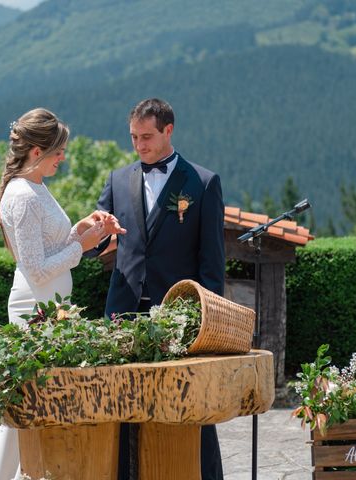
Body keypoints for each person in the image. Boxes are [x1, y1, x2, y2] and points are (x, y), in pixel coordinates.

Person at [0, 108, 125, 480]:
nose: (63, 158)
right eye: (58, 152)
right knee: (25, 399)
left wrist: (84, 231)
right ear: (36, 151)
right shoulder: (21, 195)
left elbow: (49, 249)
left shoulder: (37, 187)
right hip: (33, 308)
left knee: (41, 398)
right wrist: (81, 246)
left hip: (51, 308)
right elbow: (35, 269)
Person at [88, 98, 225, 480]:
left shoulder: (203, 182)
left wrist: (203, 321)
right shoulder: (117, 179)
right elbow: (97, 240)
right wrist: (97, 234)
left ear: (169, 130)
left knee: (191, 405)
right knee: (121, 403)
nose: (139, 145)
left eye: (147, 136)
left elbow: (212, 263)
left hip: (178, 315)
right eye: (133, 137)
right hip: (123, 313)